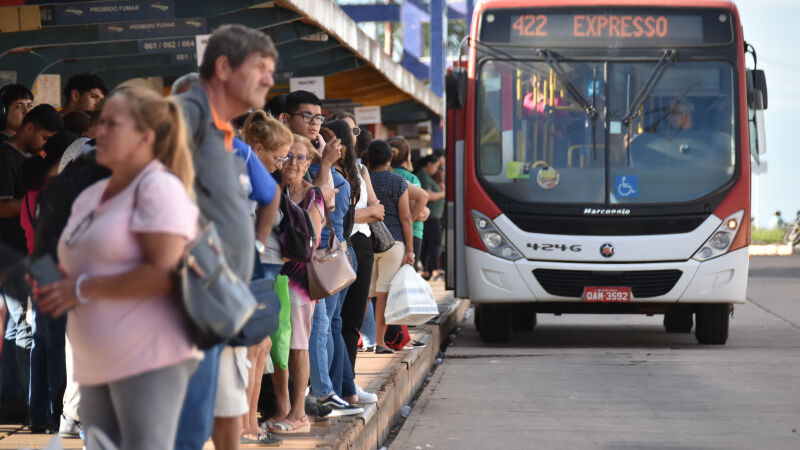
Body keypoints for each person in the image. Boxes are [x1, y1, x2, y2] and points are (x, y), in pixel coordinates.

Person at [31, 86, 200, 449]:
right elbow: (62, 247)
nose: (100, 131)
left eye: (113, 124)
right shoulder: (93, 191)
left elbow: (163, 273)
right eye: (101, 121)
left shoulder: (158, 187)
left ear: (145, 137)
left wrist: (80, 289)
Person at [173, 24, 277, 450]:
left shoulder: (223, 132)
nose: (270, 79)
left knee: (199, 426)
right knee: (184, 432)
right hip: (186, 306)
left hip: (214, 306)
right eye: (260, 67)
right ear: (222, 68)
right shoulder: (186, 116)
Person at [0, 105, 62, 424]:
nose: (43, 146)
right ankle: (30, 403)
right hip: (20, 257)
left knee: (25, 327)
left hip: (28, 257)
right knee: (31, 328)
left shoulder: (32, 185)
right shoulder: (12, 162)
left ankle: (25, 403)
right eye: (45, 138)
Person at [267, 134, 325, 434]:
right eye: (288, 155)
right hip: (272, 275)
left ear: (308, 162)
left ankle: (299, 412)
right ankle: (282, 407)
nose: (292, 161)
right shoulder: (272, 189)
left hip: (298, 279)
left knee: (297, 346)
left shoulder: (313, 196)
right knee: (276, 345)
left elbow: (309, 243)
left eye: (300, 157)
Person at [20, 131, 75, 434]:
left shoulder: (33, 189)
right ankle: (57, 412)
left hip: (36, 265)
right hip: (54, 267)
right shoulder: (56, 190)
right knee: (55, 343)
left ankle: (38, 413)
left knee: (41, 343)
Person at [367, 140, 415, 354]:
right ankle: (379, 341)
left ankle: (362, 339)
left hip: (368, 241)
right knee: (383, 294)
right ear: (390, 158)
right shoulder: (398, 181)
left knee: (365, 294)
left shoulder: (363, 179)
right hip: (393, 243)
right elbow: (405, 217)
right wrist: (410, 250)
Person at [389, 136, 429, 269]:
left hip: (388, 232)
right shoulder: (412, 178)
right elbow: (415, 208)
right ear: (407, 156)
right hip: (413, 233)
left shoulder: (382, 173)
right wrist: (422, 213)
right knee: (408, 275)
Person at [417, 151, 446, 281]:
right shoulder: (423, 175)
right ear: (429, 164)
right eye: (436, 166)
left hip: (433, 215)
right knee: (435, 241)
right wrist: (443, 194)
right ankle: (434, 268)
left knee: (429, 242)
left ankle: (427, 269)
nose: (436, 169)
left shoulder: (427, 176)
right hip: (431, 215)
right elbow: (428, 195)